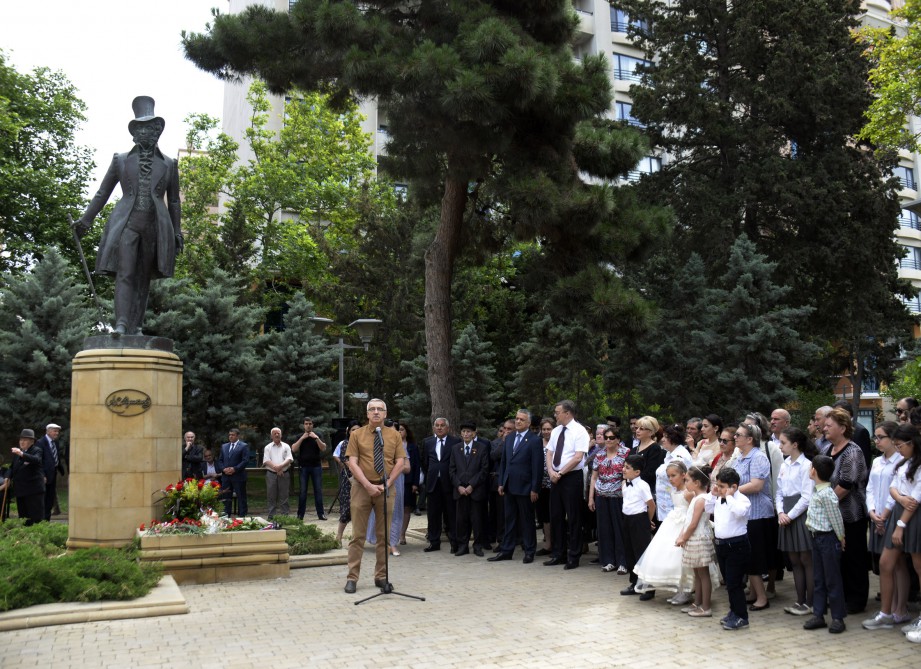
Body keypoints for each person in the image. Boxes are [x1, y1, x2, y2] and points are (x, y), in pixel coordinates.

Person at [74, 96, 182, 335]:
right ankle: (122, 323)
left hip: (155, 227)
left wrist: (177, 231)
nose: (148, 133)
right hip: (127, 224)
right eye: (142, 128)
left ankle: (138, 325)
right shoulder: (120, 160)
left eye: (152, 128)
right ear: (134, 133)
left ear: (158, 132)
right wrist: (86, 219)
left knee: (143, 278)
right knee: (126, 272)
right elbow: (103, 192)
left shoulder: (170, 164)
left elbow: (174, 200)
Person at [343, 399, 405, 594]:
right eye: (372, 409)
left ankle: (381, 577)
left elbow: (400, 462)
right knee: (358, 536)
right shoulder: (357, 435)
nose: (376, 412)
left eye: (380, 409)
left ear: (386, 414)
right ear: (367, 414)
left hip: (386, 489)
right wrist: (368, 485)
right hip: (362, 488)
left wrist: (387, 483)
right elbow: (352, 463)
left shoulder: (394, 435)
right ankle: (352, 578)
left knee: (383, 536)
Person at [864, 423, 920, 632]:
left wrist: (898, 522)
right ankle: (886, 613)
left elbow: (914, 499)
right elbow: (893, 487)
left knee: (916, 566)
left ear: (911, 443)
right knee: (886, 564)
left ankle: (907, 613)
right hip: (896, 513)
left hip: (908, 517)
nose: (898, 448)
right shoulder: (900, 463)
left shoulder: (916, 463)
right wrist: (899, 498)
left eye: (900, 444)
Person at [821, 407, 869, 614]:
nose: (824, 428)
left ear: (842, 428)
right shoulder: (825, 450)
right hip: (831, 515)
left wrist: (823, 503)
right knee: (837, 558)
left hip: (851, 514)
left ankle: (857, 600)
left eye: (829, 425)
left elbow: (846, 485)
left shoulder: (853, 452)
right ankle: (841, 596)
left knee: (854, 557)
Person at [633, 460, 693, 602]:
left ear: (683, 475)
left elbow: (692, 511)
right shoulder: (673, 490)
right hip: (672, 521)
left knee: (681, 557)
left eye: (674, 475)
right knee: (668, 555)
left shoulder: (688, 493)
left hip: (683, 523)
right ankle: (680, 588)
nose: (671, 479)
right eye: (669, 476)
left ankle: (686, 589)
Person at [489, 409, 543, 563]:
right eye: (517, 418)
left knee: (527, 521)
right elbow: (505, 462)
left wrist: (535, 488)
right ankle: (507, 550)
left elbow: (537, 466)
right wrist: (501, 482)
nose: (518, 421)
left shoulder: (534, 440)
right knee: (509, 520)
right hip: (509, 486)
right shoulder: (510, 437)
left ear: (529, 423)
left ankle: (529, 550)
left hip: (526, 487)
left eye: (521, 419)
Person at [731, 422, 774, 612]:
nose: (735, 437)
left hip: (758, 513)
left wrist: (731, 491)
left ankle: (762, 597)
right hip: (746, 514)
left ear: (750, 439)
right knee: (749, 556)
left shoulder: (758, 457)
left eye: (739, 435)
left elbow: (756, 485)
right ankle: (756, 592)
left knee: (754, 557)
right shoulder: (740, 458)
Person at [803, 454, 848, 634]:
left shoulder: (827, 494)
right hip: (816, 538)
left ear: (814, 471)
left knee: (832, 579)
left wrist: (841, 536)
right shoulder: (818, 491)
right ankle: (819, 614)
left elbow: (835, 518)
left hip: (828, 539)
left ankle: (838, 617)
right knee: (818, 578)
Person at [775, 426, 817, 616]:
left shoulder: (807, 465)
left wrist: (789, 515)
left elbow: (807, 497)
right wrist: (780, 512)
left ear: (795, 444)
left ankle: (811, 602)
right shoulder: (784, 465)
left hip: (799, 515)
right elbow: (779, 492)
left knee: (806, 559)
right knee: (794, 560)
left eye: (783, 443)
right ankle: (799, 600)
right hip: (786, 515)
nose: (781, 446)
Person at [545, 399, 590, 569]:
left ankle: (574, 556)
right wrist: (551, 471)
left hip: (571, 477)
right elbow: (550, 453)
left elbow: (578, 457)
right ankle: (558, 553)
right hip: (555, 477)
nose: (555, 415)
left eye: (557, 412)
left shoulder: (580, 431)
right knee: (556, 516)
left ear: (567, 413)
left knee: (573, 517)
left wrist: (561, 473)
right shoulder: (556, 431)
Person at [866, 421, 905, 615]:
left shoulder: (900, 461)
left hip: (892, 516)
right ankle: (890, 608)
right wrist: (873, 512)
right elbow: (870, 488)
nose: (877, 441)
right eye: (876, 437)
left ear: (893, 439)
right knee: (885, 564)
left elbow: (896, 490)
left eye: (881, 437)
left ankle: (899, 608)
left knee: (897, 565)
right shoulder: (876, 461)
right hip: (877, 517)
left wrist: (885, 515)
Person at [706, 467, 752, 631]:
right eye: (717, 485)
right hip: (722, 545)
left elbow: (739, 512)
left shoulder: (742, 500)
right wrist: (713, 494)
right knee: (729, 583)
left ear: (733, 486)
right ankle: (734, 611)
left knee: (735, 583)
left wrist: (729, 496)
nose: (719, 489)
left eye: (722, 486)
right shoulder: (719, 499)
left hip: (737, 546)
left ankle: (742, 617)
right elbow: (707, 509)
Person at [676, 465, 717, 617]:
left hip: (698, 538)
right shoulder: (696, 498)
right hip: (693, 539)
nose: (685, 482)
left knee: (703, 574)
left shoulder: (701, 499)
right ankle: (697, 603)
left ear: (697, 483)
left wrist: (683, 538)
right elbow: (688, 521)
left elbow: (693, 524)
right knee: (697, 574)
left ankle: (706, 607)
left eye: (687, 480)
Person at [588, 426, 630, 574]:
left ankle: (623, 562)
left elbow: (629, 476)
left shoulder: (626, 453)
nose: (608, 440)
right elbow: (594, 477)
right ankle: (608, 560)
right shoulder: (599, 455)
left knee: (619, 529)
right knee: (604, 529)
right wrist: (591, 498)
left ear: (618, 439)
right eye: (606, 438)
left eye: (612, 438)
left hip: (618, 497)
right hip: (601, 496)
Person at [450, 421, 490, 556]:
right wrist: (459, 486)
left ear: (474, 433)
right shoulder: (455, 448)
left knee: (477, 520)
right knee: (461, 520)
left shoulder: (482, 448)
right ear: (460, 434)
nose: (466, 434)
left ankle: (477, 546)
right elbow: (451, 470)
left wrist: (472, 485)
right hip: (460, 492)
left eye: (469, 432)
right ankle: (463, 546)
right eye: (464, 432)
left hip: (475, 491)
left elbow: (484, 470)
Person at [618, 455, 655, 599]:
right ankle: (634, 583)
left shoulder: (642, 485)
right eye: (624, 466)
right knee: (630, 553)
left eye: (627, 468)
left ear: (637, 472)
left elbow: (651, 505)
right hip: (627, 519)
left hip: (639, 520)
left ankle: (648, 588)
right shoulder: (625, 484)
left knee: (642, 554)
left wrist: (647, 521)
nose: (624, 469)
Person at [421, 417, 460, 552]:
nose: (439, 427)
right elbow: (425, 462)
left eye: (442, 425)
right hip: (433, 484)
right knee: (433, 515)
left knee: (451, 514)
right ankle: (434, 542)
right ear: (433, 428)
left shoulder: (455, 442)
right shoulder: (427, 442)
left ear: (447, 428)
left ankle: (454, 542)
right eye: (437, 425)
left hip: (449, 484)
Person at [291, 417, 327, 521]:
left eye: (310, 423)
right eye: (306, 423)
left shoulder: (318, 435)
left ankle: (321, 514)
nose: (308, 425)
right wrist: (302, 438)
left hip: (316, 466)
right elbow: (293, 449)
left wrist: (316, 438)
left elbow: (323, 448)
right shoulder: (299, 436)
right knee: (303, 491)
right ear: (303, 425)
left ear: (313, 425)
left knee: (318, 491)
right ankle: (300, 515)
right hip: (303, 467)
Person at [9, 429, 45, 525]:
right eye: (21, 439)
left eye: (25, 440)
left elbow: (36, 460)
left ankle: (37, 538)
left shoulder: (37, 450)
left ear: (31, 441)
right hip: (20, 491)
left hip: (33, 491)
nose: (22, 442)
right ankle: (25, 537)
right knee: (23, 518)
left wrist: (22, 454)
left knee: (35, 518)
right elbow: (12, 467)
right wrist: (7, 477)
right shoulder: (18, 453)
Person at [332, 421, 360, 546]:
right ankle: (339, 536)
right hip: (349, 479)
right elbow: (347, 462)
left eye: (358, 429)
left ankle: (356, 538)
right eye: (353, 429)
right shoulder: (345, 444)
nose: (356, 432)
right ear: (349, 431)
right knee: (346, 508)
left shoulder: (364, 443)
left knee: (359, 509)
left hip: (363, 480)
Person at [536, 416, 556, 556]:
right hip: (541, 485)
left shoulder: (558, 443)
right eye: (544, 429)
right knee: (544, 516)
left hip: (555, 484)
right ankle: (547, 544)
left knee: (555, 515)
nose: (546, 431)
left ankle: (558, 543)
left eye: (549, 429)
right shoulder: (537, 443)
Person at [262, 427, 293, 518]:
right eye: (275, 433)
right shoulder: (267, 447)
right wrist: (277, 469)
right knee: (271, 496)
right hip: (271, 474)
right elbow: (266, 460)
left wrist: (280, 467)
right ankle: (271, 516)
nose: (277, 435)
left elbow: (289, 459)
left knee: (284, 496)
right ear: (271, 436)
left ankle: (285, 516)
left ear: (281, 435)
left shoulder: (286, 446)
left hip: (284, 474)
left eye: (278, 433)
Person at [398, 422, 420, 545]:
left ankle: (402, 534)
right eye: (397, 430)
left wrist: (415, 483)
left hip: (408, 482)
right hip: (394, 480)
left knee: (406, 508)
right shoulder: (390, 445)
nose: (399, 432)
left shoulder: (412, 446)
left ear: (406, 431)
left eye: (401, 429)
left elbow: (416, 466)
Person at [219, 428, 249, 517]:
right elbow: (220, 460)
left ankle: (242, 516)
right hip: (226, 477)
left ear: (237, 436)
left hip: (238, 476)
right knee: (226, 496)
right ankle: (225, 515)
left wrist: (235, 469)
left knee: (241, 496)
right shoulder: (224, 446)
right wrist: (223, 469)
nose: (230, 436)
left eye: (233, 435)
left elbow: (245, 460)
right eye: (229, 435)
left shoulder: (243, 446)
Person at [36, 422, 64, 521]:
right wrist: (42, 475)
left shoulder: (55, 442)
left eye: (58, 431)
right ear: (48, 431)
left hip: (53, 474)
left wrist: (61, 469)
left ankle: (47, 520)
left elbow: (55, 457)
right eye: (55, 431)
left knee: (50, 499)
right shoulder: (40, 442)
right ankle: (42, 520)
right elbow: (39, 460)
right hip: (45, 476)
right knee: (44, 498)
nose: (57, 433)